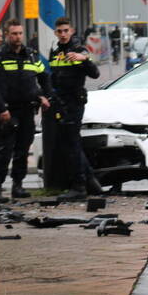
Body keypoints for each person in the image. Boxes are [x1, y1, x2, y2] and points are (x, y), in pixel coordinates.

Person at [0, 19, 51, 201]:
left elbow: (43, 77)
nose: (18, 37)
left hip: (27, 110)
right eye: (14, 34)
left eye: (20, 33)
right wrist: (0, 108)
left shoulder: (30, 55)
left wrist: (44, 96)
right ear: (7, 35)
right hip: (8, 111)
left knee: (22, 150)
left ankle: (18, 186)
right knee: (4, 151)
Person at [48, 17, 101, 201]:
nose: (63, 34)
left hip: (74, 102)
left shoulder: (80, 50)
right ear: (56, 33)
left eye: (65, 31)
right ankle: (91, 181)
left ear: (71, 31)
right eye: (59, 31)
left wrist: (84, 59)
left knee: (72, 144)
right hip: (60, 103)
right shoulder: (55, 52)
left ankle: (79, 186)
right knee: (71, 143)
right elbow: (53, 77)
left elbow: (95, 73)